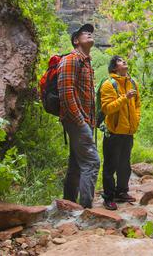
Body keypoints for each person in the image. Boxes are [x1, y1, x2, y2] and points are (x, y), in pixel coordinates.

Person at [58, 23, 100, 209]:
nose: (89, 33)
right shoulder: (71, 59)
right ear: (76, 41)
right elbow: (66, 93)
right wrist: (80, 121)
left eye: (90, 32)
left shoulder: (86, 62)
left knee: (76, 163)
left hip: (85, 121)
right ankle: (86, 210)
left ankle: (68, 205)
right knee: (92, 161)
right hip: (77, 121)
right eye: (85, 33)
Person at [100, 55, 141, 210]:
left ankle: (121, 192)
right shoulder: (108, 84)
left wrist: (136, 120)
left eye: (124, 60)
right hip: (114, 132)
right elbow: (107, 108)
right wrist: (125, 97)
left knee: (125, 165)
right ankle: (108, 197)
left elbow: (137, 105)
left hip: (128, 131)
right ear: (114, 68)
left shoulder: (133, 83)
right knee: (111, 166)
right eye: (119, 61)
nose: (124, 62)